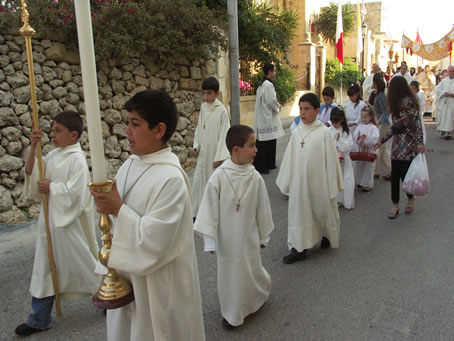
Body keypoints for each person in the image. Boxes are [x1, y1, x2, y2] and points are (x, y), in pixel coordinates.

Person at [91, 90, 205, 341]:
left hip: (159, 288)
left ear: (159, 129)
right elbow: (115, 220)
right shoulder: (131, 164)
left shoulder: (171, 179)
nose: (127, 131)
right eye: (127, 123)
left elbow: (156, 242)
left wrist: (118, 208)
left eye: (135, 124)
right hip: (127, 281)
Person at [16, 111, 100, 337]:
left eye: (58, 131)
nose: (53, 135)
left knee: (84, 263)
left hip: (67, 225)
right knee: (45, 268)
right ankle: (39, 318)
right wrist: (34, 147)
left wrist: (52, 187)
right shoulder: (53, 155)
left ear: (73, 135)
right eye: (52, 130)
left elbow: (77, 194)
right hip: (49, 224)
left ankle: (109, 294)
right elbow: (32, 172)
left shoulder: (77, 160)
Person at [194, 125, 274, 330]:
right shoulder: (219, 177)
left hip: (248, 238)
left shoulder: (254, 177)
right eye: (251, 145)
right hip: (227, 242)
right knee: (230, 277)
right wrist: (210, 240)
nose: (256, 150)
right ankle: (232, 313)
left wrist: (264, 236)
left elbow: (262, 208)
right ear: (236, 149)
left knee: (251, 270)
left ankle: (256, 296)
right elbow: (209, 210)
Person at [276, 93, 343, 264]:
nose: (303, 113)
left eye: (307, 109)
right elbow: (290, 158)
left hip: (318, 182)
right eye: (301, 109)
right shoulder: (297, 132)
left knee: (321, 210)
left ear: (316, 110)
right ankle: (299, 248)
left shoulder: (323, 133)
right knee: (300, 214)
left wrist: (331, 182)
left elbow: (330, 160)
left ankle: (326, 234)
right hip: (300, 185)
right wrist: (288, 180)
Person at [374, 77, 424, 219]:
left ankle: (410, 198)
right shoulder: (395, 103)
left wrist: (420, 143)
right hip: (397, 144)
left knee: (405, 174)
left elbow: (416, 124)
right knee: (395, 175)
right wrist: (382, 140)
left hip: (408, 143)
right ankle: (395, 204)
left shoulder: (409, 102)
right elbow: (394, 127)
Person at [192, 77, 230, 218]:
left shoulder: (222, 111)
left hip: (214, 153)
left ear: (217, 94)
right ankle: (196, 212)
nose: (206, 97)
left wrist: (220, 157)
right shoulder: (203, 107)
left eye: (209, 93)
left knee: (211, 183)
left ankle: (210, 214)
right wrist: (196, 145)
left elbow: (224, 135)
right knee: (198, 181)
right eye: (204, 93)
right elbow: (200, 127)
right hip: (203, 152)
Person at [253, 62, 284, 174]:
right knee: (266, 142)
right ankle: (263, 166)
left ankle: (269, 164)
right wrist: (278, 106)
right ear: (270, 72)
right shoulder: (268, 85)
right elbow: (271, 101)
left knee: (269, 141)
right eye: (273, 71)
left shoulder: (263, 84)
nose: (274, 73)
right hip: (267, 117)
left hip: (264, 116)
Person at [329, 106, 354, 209]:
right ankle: (336, 199)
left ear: (342, 120)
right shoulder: (329, 130)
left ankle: (345, 200)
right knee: (334, 178)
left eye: (337, 122)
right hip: (332, 159)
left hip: (344, 159)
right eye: (333, 122)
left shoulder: (345, 131)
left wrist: (339, 141)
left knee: (345, 179)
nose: (334, 125)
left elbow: (348, 146)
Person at [352, 106, 379, 192]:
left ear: (371, 117)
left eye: (365, 117)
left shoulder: (374, 128)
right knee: (359, 166)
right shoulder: (359, 126)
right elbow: (355, 135)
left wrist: (366, 138)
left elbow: (375, 138)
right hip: (360, 149)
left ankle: (367, 184)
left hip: (369, 150)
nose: (363, 119)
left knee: (368, 168)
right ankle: (360, 181)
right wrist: (359, 138)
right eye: (362, 117)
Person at [373, 73, 392, 180]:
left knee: (382, 148)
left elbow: (385, 112)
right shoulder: (379, 95)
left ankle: (388, 170)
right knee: (381, 148)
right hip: (383, 122)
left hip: (383, 123)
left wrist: (378, 123)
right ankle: (379, 170)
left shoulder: (381, 96)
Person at [435, 66, 454, 139]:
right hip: (445, 101)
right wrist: (444, 93)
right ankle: (446, 133)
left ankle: (450, 132)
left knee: (451, 117)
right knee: (446, 117)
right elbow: (438, 89)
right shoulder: (444, 81)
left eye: (453, 71)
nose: (451, 73)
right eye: (450, 71)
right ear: (448, 72)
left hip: (452, 101)